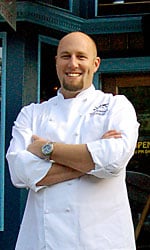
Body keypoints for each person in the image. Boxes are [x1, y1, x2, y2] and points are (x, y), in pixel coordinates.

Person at [6, 31, 139, 250]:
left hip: (101, 241)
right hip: (43, 242)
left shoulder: (116, 106)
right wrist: (91, 162)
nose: (73, 63)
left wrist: (46, 149)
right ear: (56, 62)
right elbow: (19, 173)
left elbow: (114, 160)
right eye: (66, 56)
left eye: (81, 56)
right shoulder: (32, 114)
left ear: (95, 63)